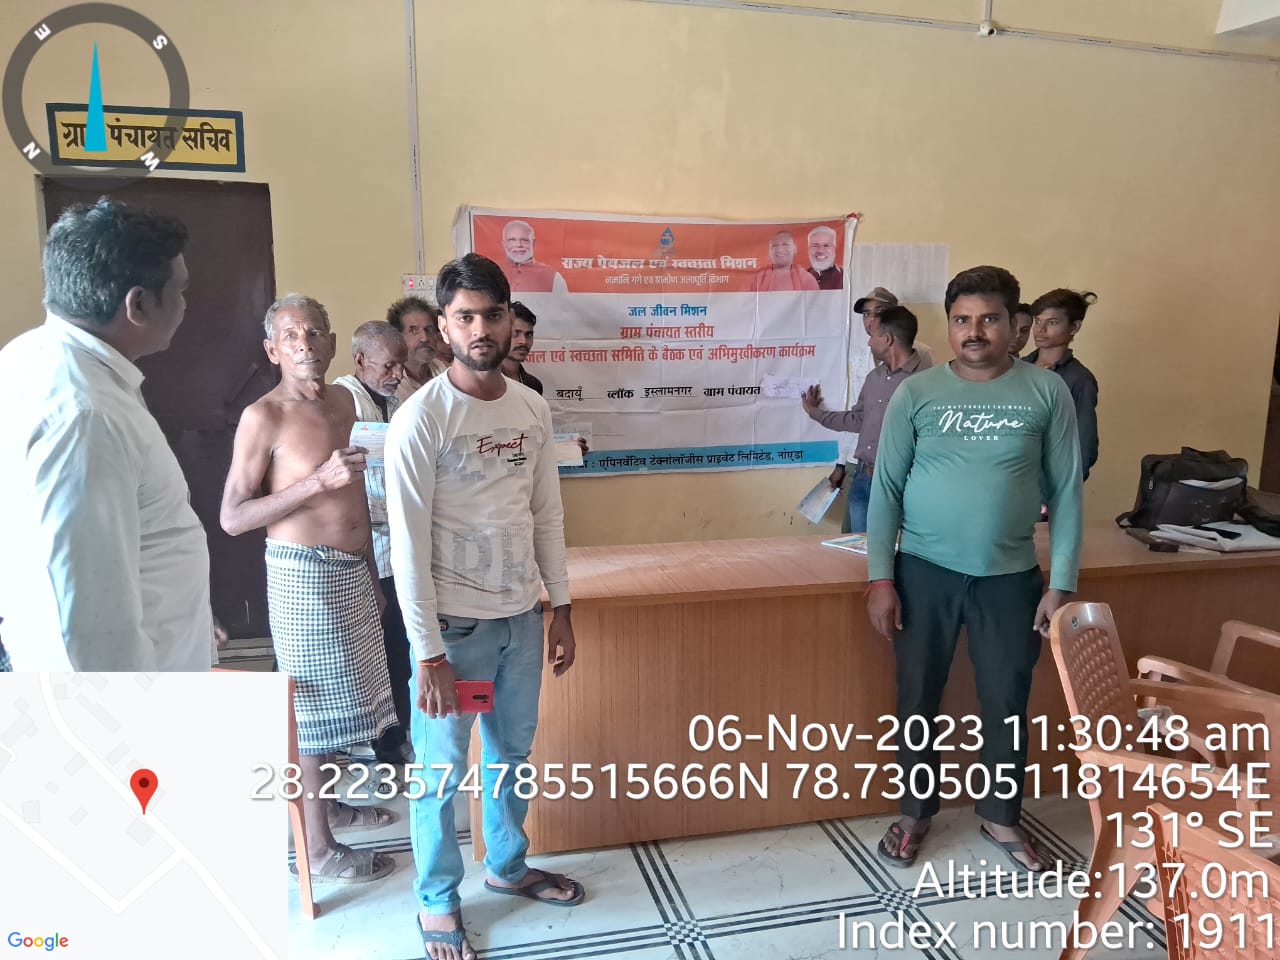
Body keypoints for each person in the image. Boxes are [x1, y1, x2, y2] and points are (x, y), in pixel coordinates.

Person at [386, 253, 583, 960]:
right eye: (464, 316)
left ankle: (506, 866)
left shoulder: (531, 408)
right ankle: (438, 900)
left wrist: (560, 607)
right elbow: (407, 547)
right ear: (444, 326)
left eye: (491, 314)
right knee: (441, 773)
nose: (480, 329)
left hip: (520, 622)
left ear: (508, 320)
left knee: (512, 755)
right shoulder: (421, 419)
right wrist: (429, 653)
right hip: (456, 634)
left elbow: (546, 514)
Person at [865, 265, 1083, 874]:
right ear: (949, 325)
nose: (974, 331)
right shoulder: (917, 393)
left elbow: (1067, 492)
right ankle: (915, 813)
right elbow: (885, 490)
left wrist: (1061, 583)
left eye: (988, 319)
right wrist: (881, 579)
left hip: (1010, 579)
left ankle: (1001, 817)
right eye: (961, 320)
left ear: (1015, 326)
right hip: (923, 572)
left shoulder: (1047, 392)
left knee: (1007, 701)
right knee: (916, 699)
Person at [221, 294, 398, 886]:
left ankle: (332, 807)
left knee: (350, 703)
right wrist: (315, 482)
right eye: (291, 335)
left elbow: (357, 492)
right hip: (304, 574)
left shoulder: (346, 402)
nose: (305, 344)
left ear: (332, 342)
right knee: (311, 710)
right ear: (272, 350)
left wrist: (369, 571)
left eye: (314, 332)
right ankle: (317, 849)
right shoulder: (263, 416)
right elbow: (233, 517)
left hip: (353, 569)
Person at [0, 198, 215, 671]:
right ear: (138, 304)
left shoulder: (30, 357)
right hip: (120, 702)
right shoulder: (87, 415)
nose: (185, 305)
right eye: (179, 291)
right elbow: (87, 626)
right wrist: (125, 716)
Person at [333, 321, 414, 766]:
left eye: (401, 365)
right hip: (363, 547)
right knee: (370, 647)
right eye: (389, 365)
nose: (397, 373)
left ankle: (395, 732)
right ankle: (377, 738)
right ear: (361, 359)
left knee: (398, 643)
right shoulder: (343, 401)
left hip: (396, 545)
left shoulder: (395, 402)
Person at [802, 305, 931, 532]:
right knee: (857, 548)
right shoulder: (875, 376)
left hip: (898, 484)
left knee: (891, 548)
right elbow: (857, 419)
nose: (869, 343)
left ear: (887, 339)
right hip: (863, 478)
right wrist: (815, 413)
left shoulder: (926, 381)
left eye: (873, 336)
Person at [1025, 289, 1100, 480]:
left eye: (1052, 322)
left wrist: (1064, 487)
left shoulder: (1079, 379)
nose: (1040, 329)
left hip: (1046, 480)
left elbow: (1085, 444)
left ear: (1074, 327)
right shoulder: (1016, 368)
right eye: (1037, 321)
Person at [388, 297, 448, 405]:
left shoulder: (441, 370)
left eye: (429, 330)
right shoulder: (389, 381)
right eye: (414, 331)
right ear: (398, 337)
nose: (425, 338)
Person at [500, 220, 567, 293]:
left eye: (524, 240)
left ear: (533, 243)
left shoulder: (552, 276)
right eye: (512, 240)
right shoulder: (494, 271)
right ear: (504, 244)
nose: (518, 245)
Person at [750, 231, 820, 292]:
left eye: (785, 244)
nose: (780, 249)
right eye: (774, 245)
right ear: (769, 251)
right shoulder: (759, 278)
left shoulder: (807, 279)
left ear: (794, 248)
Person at [502, 301, 544, 393]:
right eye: (516, 333)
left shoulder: (533, 386)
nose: (524, 341)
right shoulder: (483, 382)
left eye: (529, 335)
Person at [806, 225, 844, 290]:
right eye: (815, 245)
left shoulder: (844, 277)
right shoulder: (800, 278)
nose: (820, 251)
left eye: (826, 245)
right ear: (809, 249)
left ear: (834, 249)